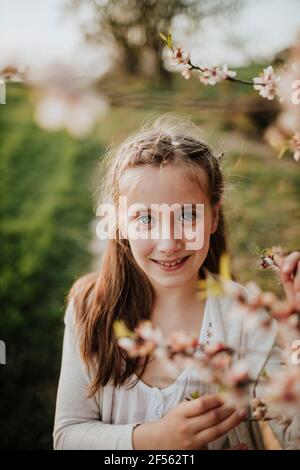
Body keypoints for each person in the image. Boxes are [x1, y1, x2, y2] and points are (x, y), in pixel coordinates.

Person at [53, 116, 300, 450]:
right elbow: (67, 436)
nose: (168, 243)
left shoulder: (245, 319)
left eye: (188, 216)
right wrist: (156, 440)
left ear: (214, 216)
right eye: (145, 218)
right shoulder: (90, 307)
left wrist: (296, 343)